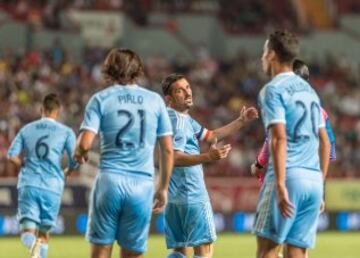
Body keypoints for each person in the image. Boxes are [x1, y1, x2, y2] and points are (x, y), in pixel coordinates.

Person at [74, 48, 174, 258]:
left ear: (109, 69)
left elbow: (84, 143)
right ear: (138, 70)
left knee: (101, 251)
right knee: (132, 253)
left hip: (110, 181)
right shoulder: (155, 100)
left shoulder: (100, 99)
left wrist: (80, 153)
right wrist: (163, 187)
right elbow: (166, 149)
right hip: (143, 185)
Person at [161, 73, 258, 258]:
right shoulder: (179, 121)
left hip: (174, 199)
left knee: (179, 252)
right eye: (180, 91)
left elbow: (211, 135)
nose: (188, 93)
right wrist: (208, 156)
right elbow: (173, 157)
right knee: (205, 251)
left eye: (188, 87)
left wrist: (241, 121)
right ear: (169, 98)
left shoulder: (176, 118)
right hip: (192, 195)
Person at [252, 31, 331, 258]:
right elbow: (324, 142)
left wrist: (279, 183)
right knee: (296, 251)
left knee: (267, 250)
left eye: (264, 52)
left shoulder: (272, 89)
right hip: (313, 181)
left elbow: (278, 138)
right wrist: (321, 184)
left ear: (272, 54)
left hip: (289, 177)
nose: (262, 58)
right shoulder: (310, 91)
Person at [7, 93, 78, 258]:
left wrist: (23, 164)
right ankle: (37, 249)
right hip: (53, 187)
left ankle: (33, 246)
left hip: (29, 184)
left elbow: (11, 156)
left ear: (41, 109)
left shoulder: (26, 129)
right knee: (44, 236)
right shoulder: (66, 132)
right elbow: (75, 159)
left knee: (27, 233)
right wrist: (67, 172)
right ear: (57, 112)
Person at [251, 59, 336, 185]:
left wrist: (258, 164)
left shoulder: (281, 105)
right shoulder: (318, 109)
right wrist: (320, 181)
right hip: (312, 181)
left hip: (287, 176)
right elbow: (329, 148)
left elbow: (273, 139)